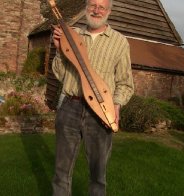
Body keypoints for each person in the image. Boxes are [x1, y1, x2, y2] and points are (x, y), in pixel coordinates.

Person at [52, 0, 134, 195]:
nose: (96, 10)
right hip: (70, 107)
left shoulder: (119, 42)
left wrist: (115, 106)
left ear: (109, 11)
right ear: (86, 8)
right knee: (61, 172)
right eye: (92, 5)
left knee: (98, 175)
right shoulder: (73, 35)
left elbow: (125, 83)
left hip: (100, 113)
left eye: (102, 7)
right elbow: (60, 74)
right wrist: (59, 49)